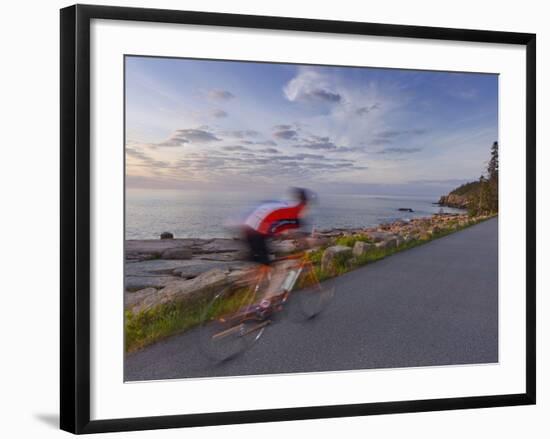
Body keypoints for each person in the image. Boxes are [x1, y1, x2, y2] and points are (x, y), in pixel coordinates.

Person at [240, 187, 315, 316]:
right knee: (279, 272)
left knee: (264, 266)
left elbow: (285, 229)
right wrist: (308, 243)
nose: (308, 209)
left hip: (250, 228)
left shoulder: (286, 207)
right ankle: (264, 305)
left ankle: (249, 298)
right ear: (305, 203)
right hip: (257, 232)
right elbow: (295, 234)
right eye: (308, 205)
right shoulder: (295, 213)